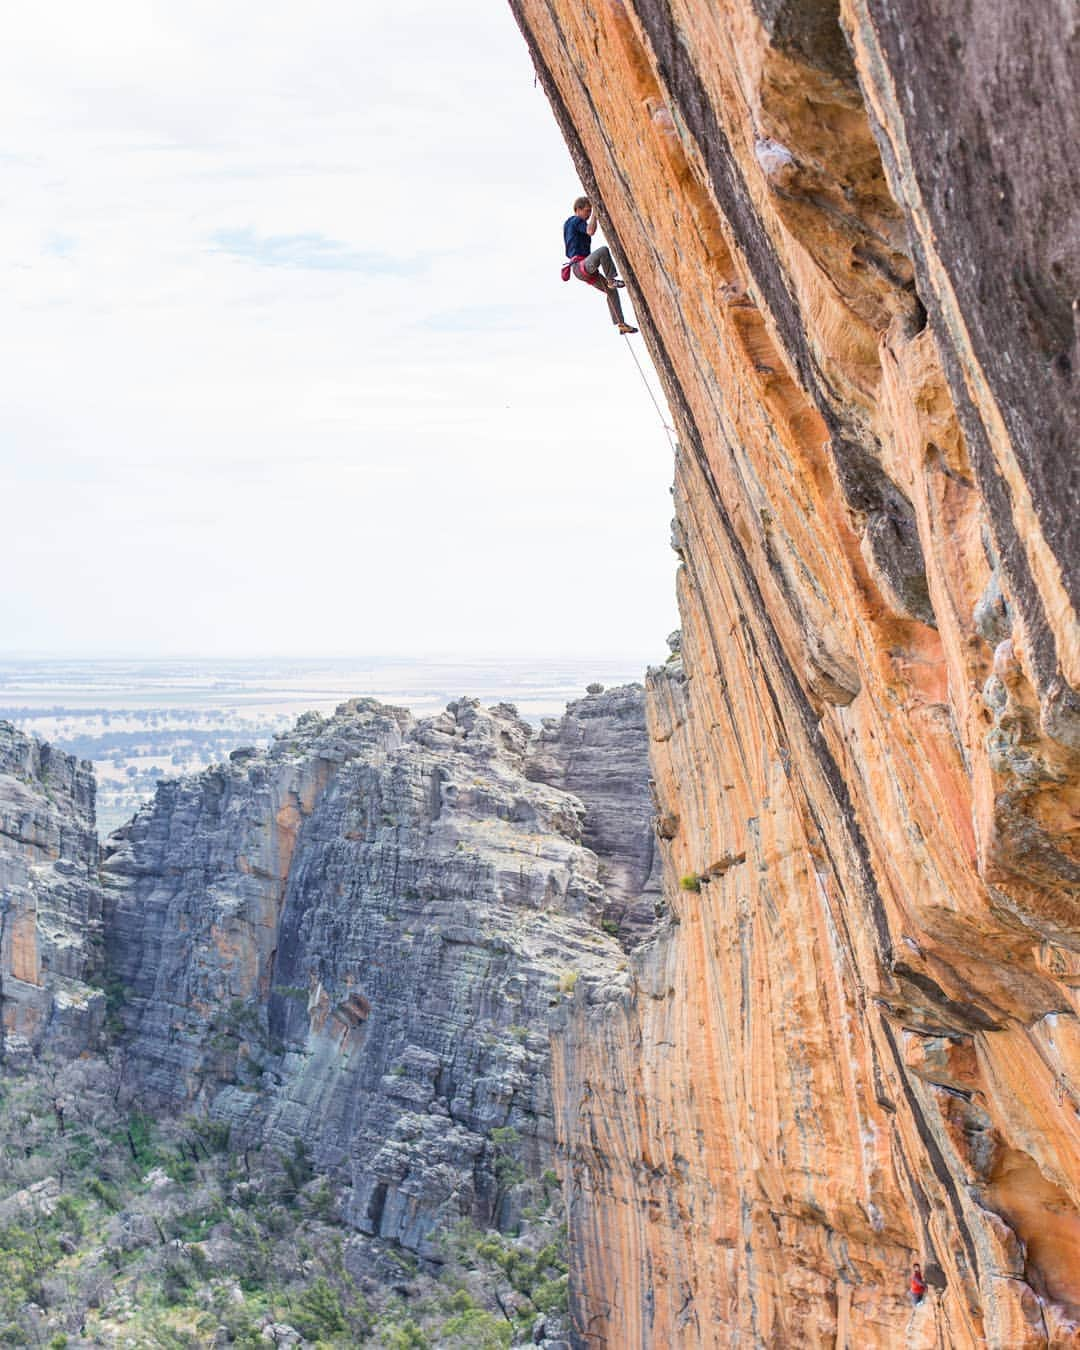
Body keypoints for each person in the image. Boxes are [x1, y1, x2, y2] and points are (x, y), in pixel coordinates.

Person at [562, 196, 638, 335]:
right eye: (587, 211)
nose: (589, 214)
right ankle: (611, 279)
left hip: (581, 268)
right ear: (578, 210)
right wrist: (597, 213)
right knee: (603, 251)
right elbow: (591, 231)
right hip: (581, 265)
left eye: (590, 211)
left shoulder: (569, 224)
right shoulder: (576, 220)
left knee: (612, 292)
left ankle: (621, 324)